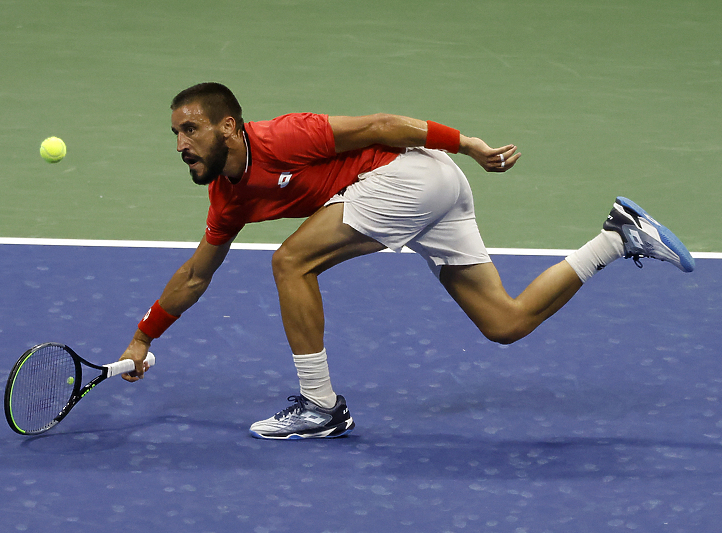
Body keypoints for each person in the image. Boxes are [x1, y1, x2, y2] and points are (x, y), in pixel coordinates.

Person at [119, 82, 695, 440]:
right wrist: (144, 338)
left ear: (228, 127)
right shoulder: (227, 197)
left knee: (291, 262)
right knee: (505, 323)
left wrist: (466, 143)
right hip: (428, 191)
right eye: (175, 134)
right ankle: (618, 238)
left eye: (190, 129)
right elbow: (196, 275)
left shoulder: (284, 136)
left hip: (410, 174)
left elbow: (377, 127)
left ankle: (320, 405)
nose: (180, 145)